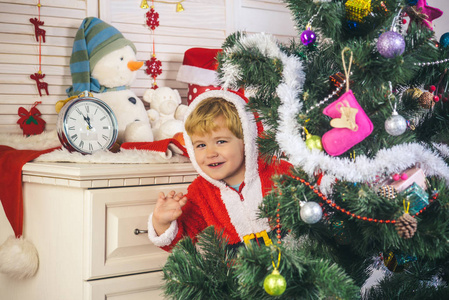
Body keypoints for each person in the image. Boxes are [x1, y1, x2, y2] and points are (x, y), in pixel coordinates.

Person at [148, 90, 291, 251]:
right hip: (239, 274)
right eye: (201, 145)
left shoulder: (279, 172)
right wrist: (162, 222)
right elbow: (181, 243)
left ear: (247, 140)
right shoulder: (201, 193)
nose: (210, 153)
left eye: (221, 141)